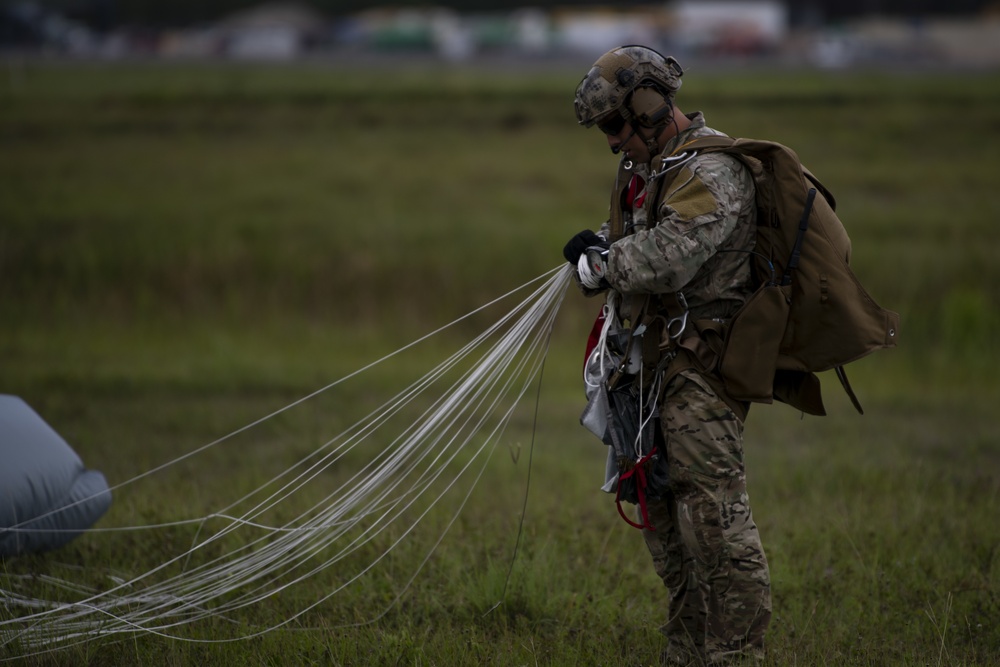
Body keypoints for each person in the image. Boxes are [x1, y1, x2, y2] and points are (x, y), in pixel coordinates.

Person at [563, 45, 771, 665]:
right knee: (657, 513)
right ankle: (686, 648)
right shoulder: (647, 170)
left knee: (714, 523)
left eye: (613, 125)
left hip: (699, 372)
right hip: (646, 372)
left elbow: (671, 253)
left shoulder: (713, 171)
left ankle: (736, 656)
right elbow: (639, 239)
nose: (610, 143)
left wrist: (605, 265)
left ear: (648, 106)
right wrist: (599, 245)